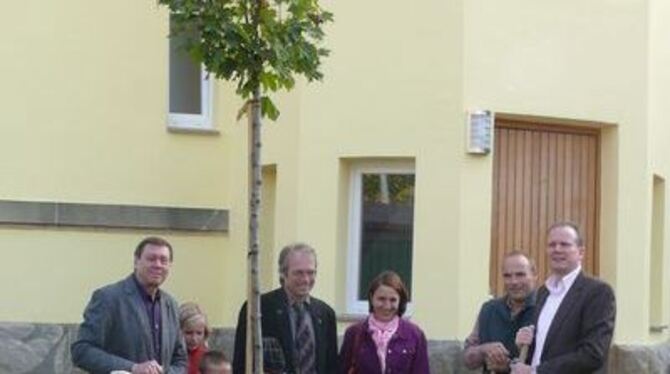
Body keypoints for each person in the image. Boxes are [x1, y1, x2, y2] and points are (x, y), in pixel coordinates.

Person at [511, 222, 616, 374]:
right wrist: (524, 344)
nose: (557, 249)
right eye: (552, 245)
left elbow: (593, 354)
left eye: (565, 244)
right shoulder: (543, 292)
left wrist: (536, 372)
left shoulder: (598, 292)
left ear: (581, 252)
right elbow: (545, 349)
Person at [71, 237, 187, 374]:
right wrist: (133, 368)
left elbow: (180, 360)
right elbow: (82, 351)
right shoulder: (108, 298)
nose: (158, 265)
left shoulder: (171, 305)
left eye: (164, 260)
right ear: (136, 261)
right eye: (151, 259)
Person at [232, 242, 337, 374]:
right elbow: (241, 363)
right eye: (298, 273)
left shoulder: (326, 314)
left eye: (311, 272)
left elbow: (332, 366)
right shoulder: (258, 308)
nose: (306, 279)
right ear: (283, 273)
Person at [338, 271, 430, 374]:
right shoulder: (354, 333)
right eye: (381, 299)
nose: (387, 306)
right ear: (372, 298)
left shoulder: (415, 335)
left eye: (393, 300)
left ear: (400, 301)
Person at [463, 251, 537, 373]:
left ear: (534, 275)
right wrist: (484, 350)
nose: (514, 282)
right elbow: (468, 360)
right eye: (507, 276)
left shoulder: (546, 310)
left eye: (520, 275)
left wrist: (508, 367)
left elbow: (553, 365)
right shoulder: (489, 309)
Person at [180, 302, 210, 374]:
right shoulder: (172, 355)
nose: (194, 339)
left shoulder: (207, 357)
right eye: (188, 333)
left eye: (199, 333)